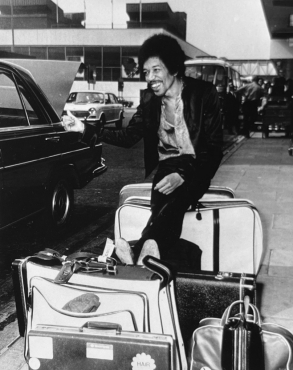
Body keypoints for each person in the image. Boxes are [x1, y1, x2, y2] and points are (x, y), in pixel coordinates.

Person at [63, 34, 223, 267]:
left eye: (156, 70)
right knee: (163, 216)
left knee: (176, 203)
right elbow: (128, 137)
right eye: (146, 72)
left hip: (196, 168)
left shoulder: (204, 93)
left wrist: (184, 176)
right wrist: (83, 128)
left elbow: (214, 150)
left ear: (173, 67)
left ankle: (134, 251)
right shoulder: (149, 101)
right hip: (166, 168)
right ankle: (145, 255)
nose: (150, 78)